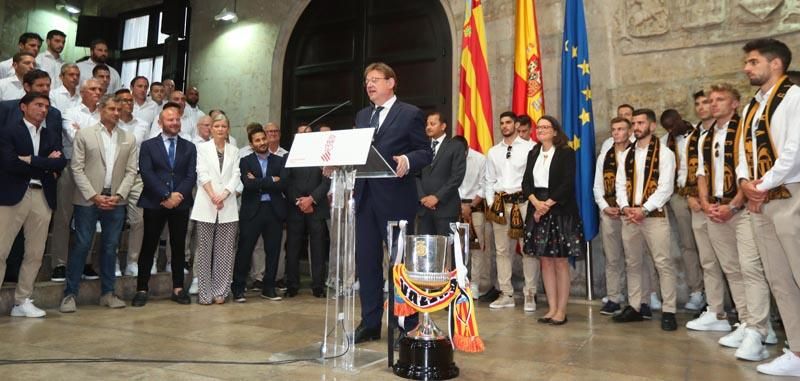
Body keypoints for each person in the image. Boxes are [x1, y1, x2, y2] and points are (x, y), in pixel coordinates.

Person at [693, 83, 777, 360]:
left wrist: (733, 204)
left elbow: (747, 171)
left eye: (720, 100)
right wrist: (706, 204)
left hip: (740, 209)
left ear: (735, 104)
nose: (714, 104)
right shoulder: (707, 136)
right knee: (731, 269)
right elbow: (702, 174)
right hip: (716, 209)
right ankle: (745, 321)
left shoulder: (744, 130)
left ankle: (759, 327)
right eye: (711, 100)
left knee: (750, 267)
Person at [352, 62, 431, 343]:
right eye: (366, 80)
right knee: (367, 263)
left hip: (397, 199)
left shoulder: (409, 113)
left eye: (375, 79)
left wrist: (408, 161)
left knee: (399, 264)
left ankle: (404, 323)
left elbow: (424, 151)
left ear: (391, 82)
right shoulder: (362, 115)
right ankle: (370, 322)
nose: (369, 84)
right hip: (365, 199)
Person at [736, 38, 800, 377]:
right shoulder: (752, 107)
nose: (747, 68)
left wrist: (761, 185)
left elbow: (794, 150)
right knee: (779, 280)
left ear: (776, 64)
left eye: (753, 61)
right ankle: (798, 352)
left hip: (790, 195)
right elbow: (742, 153)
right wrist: (746, 182)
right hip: (761, 201)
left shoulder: (794, 98)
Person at [59, 95, 138, 312]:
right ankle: (70, 294)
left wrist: (119, 195)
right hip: (88, 199)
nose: (116, 113)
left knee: (111, 246)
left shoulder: (128, 138)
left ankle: (108, 293)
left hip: (115, 201)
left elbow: (131, 171)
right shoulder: (85, 134)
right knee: (82, 244)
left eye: (118, 110)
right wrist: (93, 196)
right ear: (101, 110)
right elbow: (76, 168)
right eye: (111, 109)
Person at [0, 92, 67, 317]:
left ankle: (22, 300)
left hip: (42, 196)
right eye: (38, 105)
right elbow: (9, 164)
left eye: (46, 106)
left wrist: (30, 160)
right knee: (1, 251)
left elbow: (60, 162)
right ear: (23, 107)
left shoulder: (49, 135)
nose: (43, 110)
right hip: (13, 195)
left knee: (36, 253)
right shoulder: (9, 131)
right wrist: (45, 165)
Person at [613, 108, 678, 331]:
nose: (637, 127)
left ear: (652, 126)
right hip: (630, 216)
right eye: (634, 123)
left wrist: (645, 209)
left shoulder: (664, 153)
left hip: (654, 216)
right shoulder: (627, 154)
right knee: (633, 262)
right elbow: (620, 184)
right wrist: (624, 206)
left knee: (663, 262)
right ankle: (635, 305)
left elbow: (666, 188)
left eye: (641, 123)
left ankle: (669, 309)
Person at [132, 105, 197, 307]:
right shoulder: (148, 145)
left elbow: (190, 175)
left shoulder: (189, 147)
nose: (175, 123)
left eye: (177, 119)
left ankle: (178, 288)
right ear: (161, 123)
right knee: (149, 245)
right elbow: (147, 172)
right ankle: (142, 288)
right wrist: (166, 195)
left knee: (178, 247)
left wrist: (178, 196)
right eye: (170, 120)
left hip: (181, 203)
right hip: (155, 201)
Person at [522, 115, 584, 325]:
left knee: (560, 262)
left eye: (546, 127)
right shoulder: (533, 152)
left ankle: (561, 310)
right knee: (545, 261)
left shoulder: (566, 153)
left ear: (555, 131)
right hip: (537, 208)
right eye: (538, 127)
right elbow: (526, 183)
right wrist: (536, 204)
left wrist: (546, 204)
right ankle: (551, 308)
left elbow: (567, 184)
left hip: (559, 209)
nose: (541, 130)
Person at [485, 111, 539, 312]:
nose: (505, 126)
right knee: (501, 250)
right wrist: (492, 203)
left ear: (516, 125)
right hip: (500, 204)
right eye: (502, 123)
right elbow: (488, 181)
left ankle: (530, 293)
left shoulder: (530, 148)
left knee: (528, 249)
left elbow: (536, 177)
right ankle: (506, 293)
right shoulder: (493, 151)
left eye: (508, 122)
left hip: (523, 203)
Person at [50, 79, 103, 281]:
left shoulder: (104, 114)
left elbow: (103, 142)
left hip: (95, 170)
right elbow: (77, 139)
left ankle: (85, 262)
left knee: (89, 218)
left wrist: (84, 133)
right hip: (71, 167)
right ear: (82, 92)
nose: (98, 92)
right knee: (64, 217)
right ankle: (59, 264)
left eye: (100, 89)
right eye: (93, 89)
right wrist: (91, 137)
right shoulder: (70, 112)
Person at [231, 127, 288, 302]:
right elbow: (247, 184)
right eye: (257, 140)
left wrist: (259, 181)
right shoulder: (245, 161)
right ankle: (238, 288)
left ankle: (269, 288)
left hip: (274, 210)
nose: (262, 142)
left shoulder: (280, 160)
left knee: (273, 251)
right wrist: (271, 180)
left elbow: (283, 184)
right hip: (252, 211)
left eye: (263, 139)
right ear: (251, 144)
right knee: (245, 250)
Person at [190, 114, 241, 305]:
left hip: (227, 204)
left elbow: (236, 176)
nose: (220, 129)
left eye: (224, 126)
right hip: (207, 202)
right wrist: (213, 195)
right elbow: (201, 173)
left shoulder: (234, 150)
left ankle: (221, 291)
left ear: (228, 129)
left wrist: (224, 195)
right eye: (217, 126)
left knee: (225, 251)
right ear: (211, 129)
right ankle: (205, 293)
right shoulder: (201, 148)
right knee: (203, 250)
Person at [659, 109, 705, 311]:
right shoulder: (664, 142)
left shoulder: (700, 133)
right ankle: (697, 290)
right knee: (688, 245)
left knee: (709, 245)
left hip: (703, 194)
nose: (671, 130)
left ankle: (717, 295)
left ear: (680, 119)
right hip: (679, 196)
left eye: (673, 125)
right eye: (667, 128)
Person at [283, 124, 331, 298]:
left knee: (318, 247)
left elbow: (326, 182)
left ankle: (318, 285)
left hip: (316, 208)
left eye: (310, 133)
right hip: (295, 208)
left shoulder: (323, 156)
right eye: (303, 133)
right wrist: (300, 202)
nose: (308, 136)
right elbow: (286, 182)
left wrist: (311, 199)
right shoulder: (289, 156)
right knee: (293, 247)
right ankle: (292, 284)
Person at [592, 117, 632, 315]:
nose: (616, 133)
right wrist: (605, 206)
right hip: (609, 212)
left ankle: (637, 300)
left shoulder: (637, 153)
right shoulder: (605, 156)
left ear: (630, 131)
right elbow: (598, 186)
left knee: (635, 258)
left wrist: (627, 207)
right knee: (612, 257)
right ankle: (614, 297)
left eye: (621, 129)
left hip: (632, 213)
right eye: (614, 129)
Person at [416, 111, 466, 235]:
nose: (428, 127)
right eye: (427, 124)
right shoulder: (421, 147)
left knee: (447, 251)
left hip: (446, 209)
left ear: (443, 126)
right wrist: (422, 197)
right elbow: (415, 175)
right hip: (424, 210)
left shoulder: (456, 146)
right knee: (425, 251)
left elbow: (457, 177)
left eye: (432, 124)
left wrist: (437, 197)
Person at [454, 135, 488, 298]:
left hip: (475, 206)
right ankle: (458, 281)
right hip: (454, 205)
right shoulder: (450, 157)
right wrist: (458, 205)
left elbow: (484, 185)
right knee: (455, 246)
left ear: (467, 150)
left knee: (476, 247)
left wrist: (471, 205)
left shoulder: (480, 159)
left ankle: (474, 284)